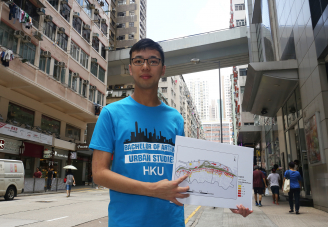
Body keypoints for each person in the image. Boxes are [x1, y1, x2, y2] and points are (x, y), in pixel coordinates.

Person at [90, 39, 253, 227]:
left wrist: (227, 198)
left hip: (171, 221)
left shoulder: (175, 118)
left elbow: (186, 173)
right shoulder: (111, 113)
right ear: (130, 68)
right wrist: (153, 190)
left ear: (163, 69)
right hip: (126, 222)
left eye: (153, 61)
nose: (145, 66)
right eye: (138, 61)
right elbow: (99, 173)